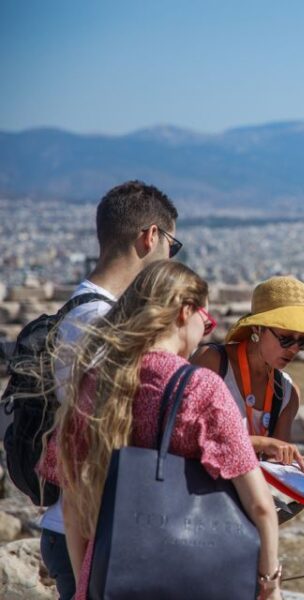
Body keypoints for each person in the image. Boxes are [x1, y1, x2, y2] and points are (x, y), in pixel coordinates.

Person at [40, 261, 283, 600]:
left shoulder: (92, 385)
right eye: (206, 321)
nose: (206, 332)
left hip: (111, 578)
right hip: (193, 577)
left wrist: (86, 584)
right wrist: (269, 584)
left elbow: (73, 507)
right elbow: (259, 506)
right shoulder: (202, 388)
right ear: (185, 312)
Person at [40, 180, 180, 600]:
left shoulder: (81, 309)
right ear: (150, 236)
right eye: (174, 245)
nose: (171, 257)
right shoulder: (103, 321)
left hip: (86, 519)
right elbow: (123, 424)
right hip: (92, 527)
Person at [191, 275, 304, 521]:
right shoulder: (212, 362)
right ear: (258, 329)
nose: (294, 349)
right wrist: (263, 443)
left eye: (302, 340)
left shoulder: (287, 392)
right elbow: (190, 437)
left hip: (245, 516)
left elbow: (279, 467)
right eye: (286, 338)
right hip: (198, 506)